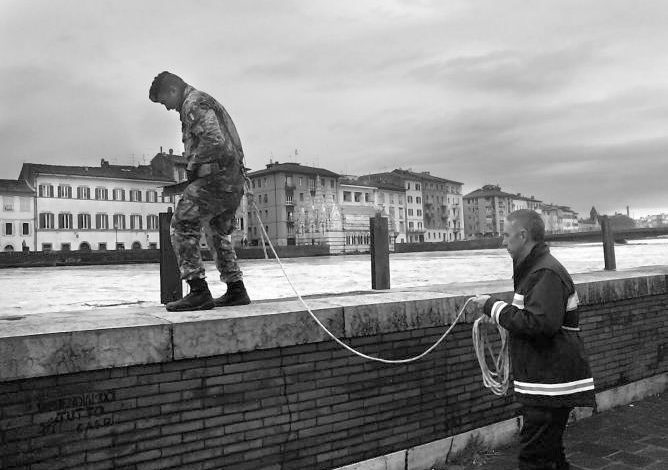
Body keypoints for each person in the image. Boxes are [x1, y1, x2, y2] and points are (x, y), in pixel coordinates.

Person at [470, 209, 595, 470]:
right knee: (551, 456)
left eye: (506, 235)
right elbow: (533, 317)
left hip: (550, 382)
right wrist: (502, 314)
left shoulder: (544, 273)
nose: (502, 242)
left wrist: (493, 307)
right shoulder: (537, 269)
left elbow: (540, 324)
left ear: (523, 235)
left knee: (534, 458)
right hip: (548, 380)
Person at [149, 71, 250, 311]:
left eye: (164, 101)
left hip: (216, 177)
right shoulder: (205, 100)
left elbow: (214, 139)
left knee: (181, 224)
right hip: (232, 179)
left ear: (173, 91)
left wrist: (193, 165)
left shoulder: (192, 103)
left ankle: (198, 290)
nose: (166, 108)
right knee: (216, 232)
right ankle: (236, 289)